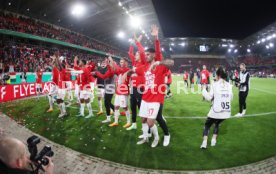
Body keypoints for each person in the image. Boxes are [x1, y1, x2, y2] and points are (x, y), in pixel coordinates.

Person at [200, 67, 233, 149]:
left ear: (218, 75)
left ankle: (204, 143)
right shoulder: (229, 85)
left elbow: (209, 98)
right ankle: (213, 140)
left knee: (207, 125)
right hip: (226, 112)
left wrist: (203, 90)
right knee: (217, 123)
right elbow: (231, 98)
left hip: (216, 111)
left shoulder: (214, 85)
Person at [127, 33, 146, 130]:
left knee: (141, 108)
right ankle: (134, 124)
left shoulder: (143, 62)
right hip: (133, 88)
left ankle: (146, 127)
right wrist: (131, 43)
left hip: (140, 88)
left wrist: (138, 43)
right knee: (133, 106)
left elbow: (142, 52)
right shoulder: (135, 63)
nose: (136, 55)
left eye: (137, 54)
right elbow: (130, 53)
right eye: (136, 54)